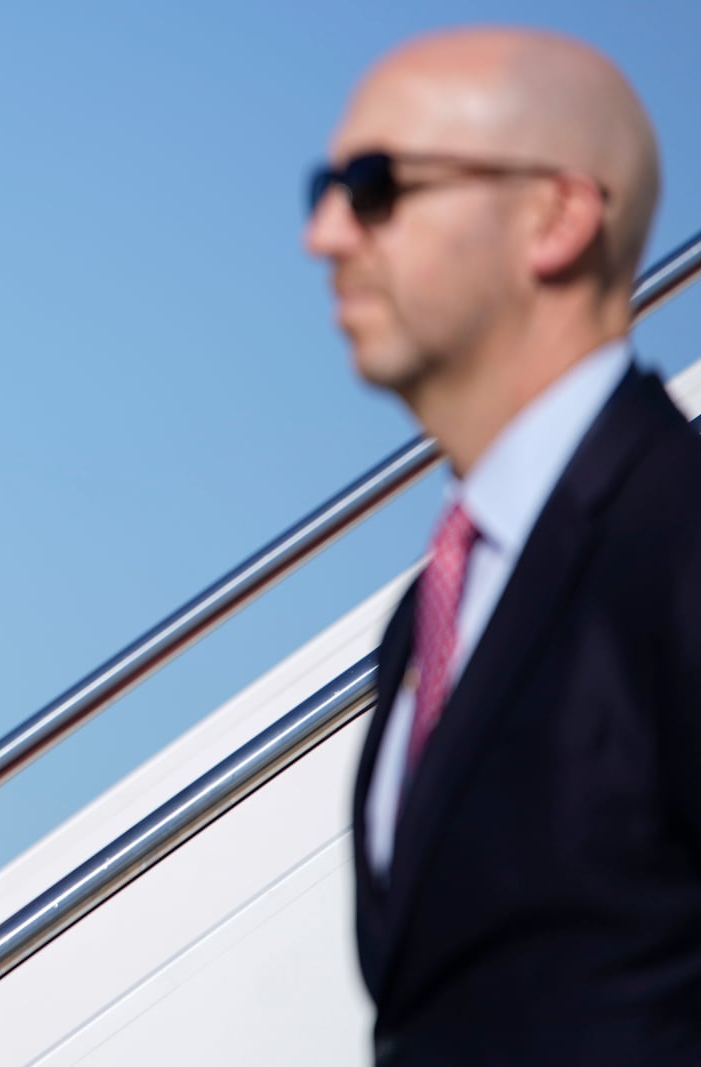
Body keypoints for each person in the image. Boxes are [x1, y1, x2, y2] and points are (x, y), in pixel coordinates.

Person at [306, 27, 701, 1065]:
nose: (325, 232)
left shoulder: (677, 535)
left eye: (375, 184)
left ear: (556, 216)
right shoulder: (430, 613)